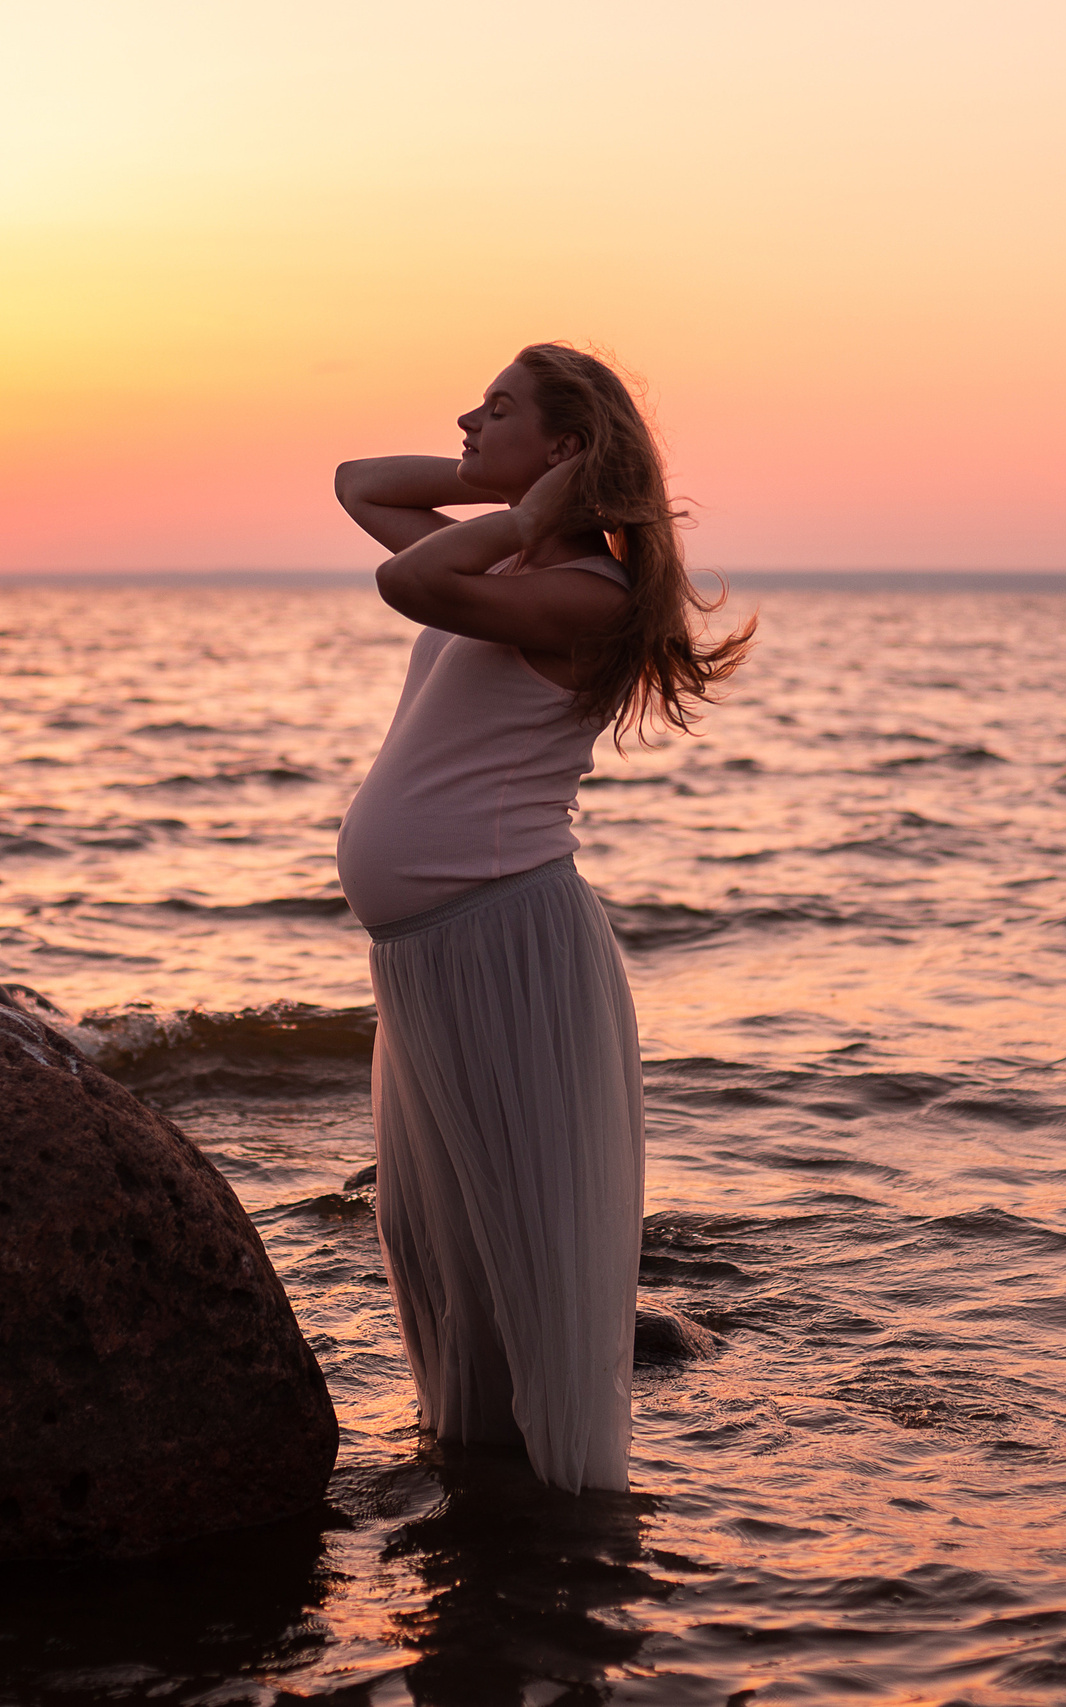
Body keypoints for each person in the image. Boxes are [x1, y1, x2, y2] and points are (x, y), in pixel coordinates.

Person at [332, 342, 753, 1492]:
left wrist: (542, 507)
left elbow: (403, 582)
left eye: (497, 410)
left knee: (524, 1252)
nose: (464, 419)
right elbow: (358, 481)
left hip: (502, 943)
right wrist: (528, 486)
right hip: (429, 952)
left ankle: (568, 1554)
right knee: (457, 1252)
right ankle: (482, 1505)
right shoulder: (518, 566)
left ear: (562, 446)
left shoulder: (580, 594)